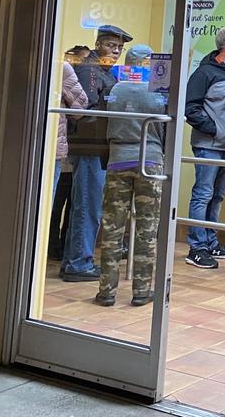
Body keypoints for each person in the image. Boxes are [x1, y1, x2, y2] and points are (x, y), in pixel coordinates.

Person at [96, 45, 166, 307]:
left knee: (113, 229)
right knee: (147, 230)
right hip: (150, 160)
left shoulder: (115, 89)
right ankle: (141, 291)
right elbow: (165, 128)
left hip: (118, 160)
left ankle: (106, 292)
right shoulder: (157, 91)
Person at [60, 24, 131, 282]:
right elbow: (89, 109)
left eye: (120, 48)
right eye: (111, 46)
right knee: (88, 207)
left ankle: (74, 261)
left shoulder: (102, 70)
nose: (115, 52)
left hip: (93, 146)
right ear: (98, 43)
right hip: (89, 145)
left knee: (86, 205)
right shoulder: (90, 69)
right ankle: (79, 264)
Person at [183, 27, 225, 269]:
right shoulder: (205, 73)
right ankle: (196, 248)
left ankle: (210, 241)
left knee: (217, 197)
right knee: (203, 195)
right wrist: (215, 129)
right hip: (209, 146)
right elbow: (190, 108)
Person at [47, 46, 88, 261]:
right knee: (51, 202)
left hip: (19, 145)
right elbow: (80, 107)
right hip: (54, 147)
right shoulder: (60, 68)